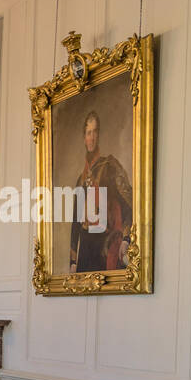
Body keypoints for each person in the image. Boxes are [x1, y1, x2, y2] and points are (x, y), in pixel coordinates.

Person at [69, 110, 132, 273]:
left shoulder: (109, 166)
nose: (92, 137)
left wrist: (126, 239)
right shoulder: (80, 179)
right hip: (85, 247)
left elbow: (129, 204)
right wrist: (73, 261)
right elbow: (76, 222)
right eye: (89, 133)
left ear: (99, 135)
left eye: (95, 131)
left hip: (103, 246)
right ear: (84, 138)